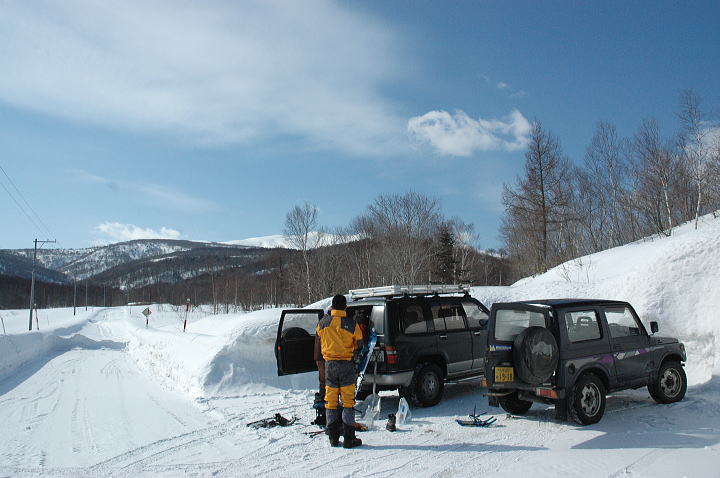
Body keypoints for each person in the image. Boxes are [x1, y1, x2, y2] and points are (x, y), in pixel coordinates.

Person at [316, 294, 364, 448]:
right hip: (346, 366)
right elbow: (360, 344)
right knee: (348, 402)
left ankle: (333, 436)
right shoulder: (352, 324)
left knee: (330, 401)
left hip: (330, 365)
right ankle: (349, 438)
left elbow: (318, 335)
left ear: (332, 306)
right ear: (345, 307)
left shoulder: (323, 323)